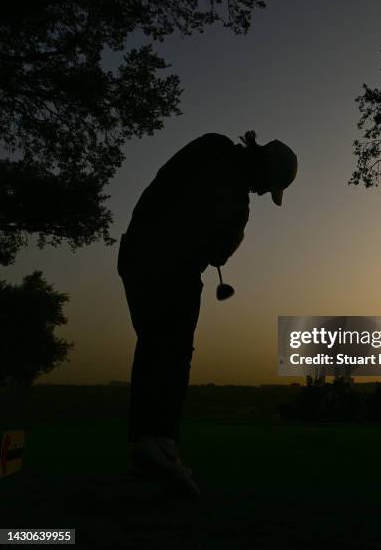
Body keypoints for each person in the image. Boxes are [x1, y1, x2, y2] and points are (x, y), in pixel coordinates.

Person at [117, 130, 297, 497]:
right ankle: (162, 442)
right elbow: (219, 254)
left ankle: (145, 445)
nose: (262, 193)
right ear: (264, 169)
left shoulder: (210, 145)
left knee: (153, 345)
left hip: (135, 255)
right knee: (174, 351)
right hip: (172, 266)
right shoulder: (237, 201)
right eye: (267, 186)